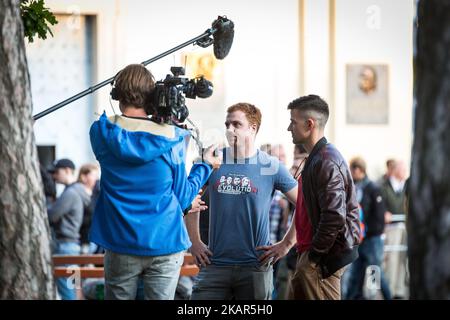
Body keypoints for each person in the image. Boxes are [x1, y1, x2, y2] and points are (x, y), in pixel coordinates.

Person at [88, 64, 218, 300]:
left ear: (116, 96)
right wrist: (204, 166)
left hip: (119, 242)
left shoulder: (100, 132)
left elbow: (126, 133)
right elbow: (183, 198)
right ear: (150, 97)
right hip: (165, 243)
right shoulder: (171, 138)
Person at [186, 103, 298, 300]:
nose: (229, 129)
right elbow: (189, 198)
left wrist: (287, 243)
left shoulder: (271, 166)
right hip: (215, 265)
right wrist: (194, 242)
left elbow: (305, 203)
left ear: (253, 128)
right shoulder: (212, 161)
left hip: (255, 267)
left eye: (236, 124)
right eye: (227, 124)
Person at [262, 94, 360, 300]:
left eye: (292, 122)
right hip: (310, 256)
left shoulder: (326, 161)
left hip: (320, 261)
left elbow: (334, 216)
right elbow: (306, 208)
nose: (289, 128)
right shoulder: (317, 157)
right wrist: (288, 245)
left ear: (309, 124)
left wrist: (314, 257)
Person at [345, 157, 391, 300]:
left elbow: (379, 216)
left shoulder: (373, 188)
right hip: (360, 239)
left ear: (358, 170)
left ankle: (386, 297)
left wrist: (368, 231)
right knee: (356, 273)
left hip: (372, 239)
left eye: (352, 170)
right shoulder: (355, 187)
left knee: (374, 273)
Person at [47, 158, 92, 300]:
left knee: (68, 292)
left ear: (67, 171)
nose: (54, 176)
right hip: (72, 247)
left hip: (65, 248)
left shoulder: (71, 193)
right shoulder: (77, 191)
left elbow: (52, 216)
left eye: (56, 172)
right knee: (73, 290)